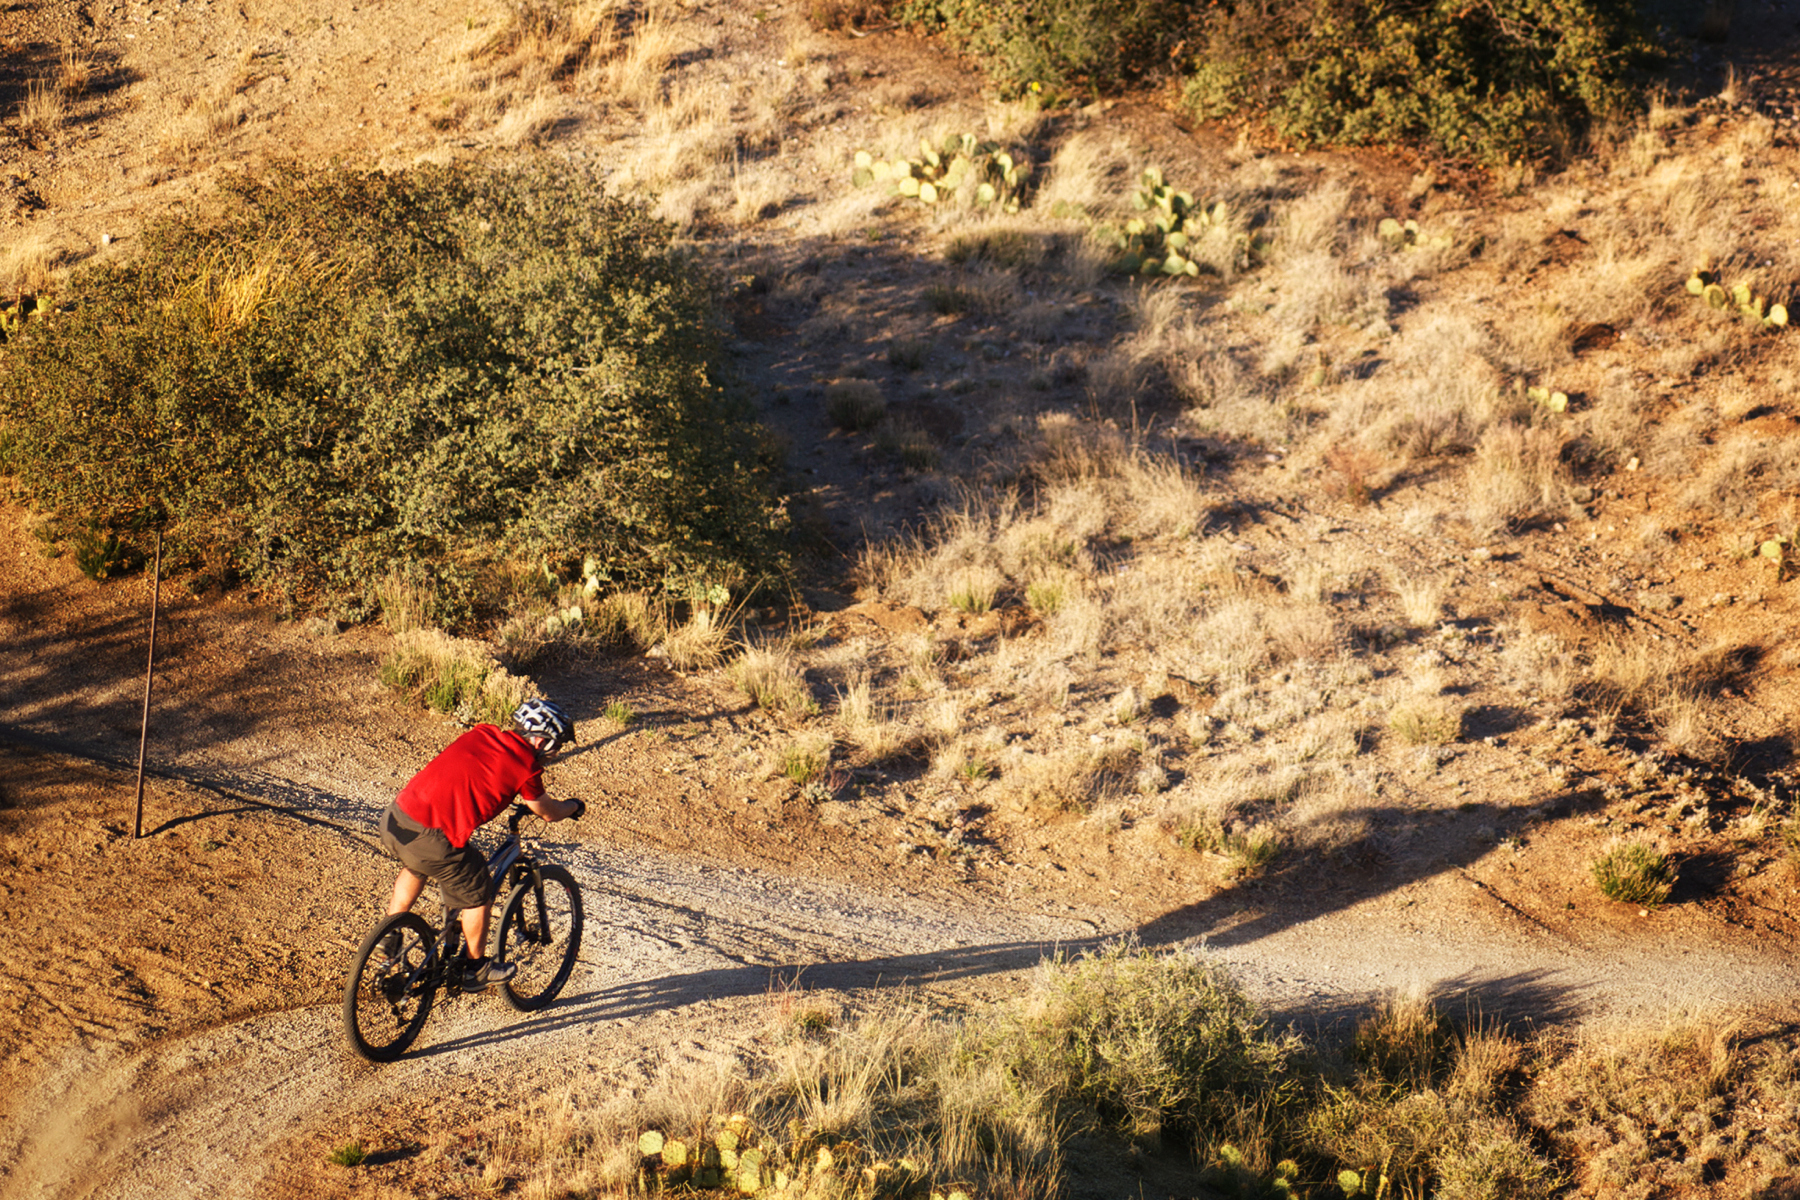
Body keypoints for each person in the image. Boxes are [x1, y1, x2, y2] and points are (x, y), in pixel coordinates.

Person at [376, 697, 586, 991]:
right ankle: (475, 969)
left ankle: (389, 935)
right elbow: (547, 812)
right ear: (540, 740)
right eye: (557, 744)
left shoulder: (482, 732)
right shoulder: (526, 767)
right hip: (431, 837)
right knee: (478, 889)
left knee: (417, 864)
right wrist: (573, 807)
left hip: (395, 818)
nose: (556, 752)